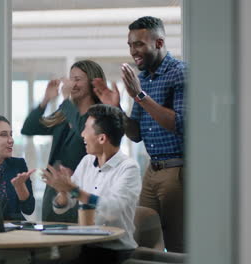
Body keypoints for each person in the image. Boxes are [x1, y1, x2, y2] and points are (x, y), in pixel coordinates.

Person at [93, 16, 186, 252]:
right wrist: (116, 108)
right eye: (131, 45)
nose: (134, 51)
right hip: (152, 171)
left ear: (159, 43)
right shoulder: (142, 79)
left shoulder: (180, 73)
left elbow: (181, 124)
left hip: (178, 172)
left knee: (178, 245)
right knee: (139, 240)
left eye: (139, 44)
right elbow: (135, 134)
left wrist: (139, 96)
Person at [44, 104, 141, 264]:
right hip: (86, 246)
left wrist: (73, 190)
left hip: (115, 251)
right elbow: (65, 205)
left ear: (102, 138)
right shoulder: (87, 161)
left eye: (86, 129)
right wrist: (62, 192)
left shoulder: (129, 168)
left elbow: (112, 209)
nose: (82, 134)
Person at [21, 60, 105, 222]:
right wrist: (46, 100)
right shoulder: (64, 113)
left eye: (78, 79)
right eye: (71, 78)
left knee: (77, 241)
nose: (72, 83)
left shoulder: (100, 113)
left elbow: (82, 130)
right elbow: (28, 129)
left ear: (92, 82)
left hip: (81, 188)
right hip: (54, 187)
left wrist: (66, 98)